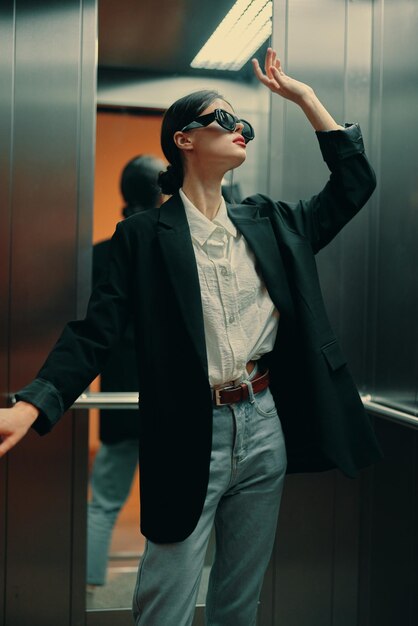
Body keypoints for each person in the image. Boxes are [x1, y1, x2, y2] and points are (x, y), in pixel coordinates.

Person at [0, 48, 382, 626]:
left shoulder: (272, 222)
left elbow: (354, 183)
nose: (241, 132)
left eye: (244, 124)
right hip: (186, 429)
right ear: (184, 139)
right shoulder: (142, 238)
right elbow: (94, 333)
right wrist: (32, 405)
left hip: (264, 422)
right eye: (226, 120)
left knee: (236, 602)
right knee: (166, 601)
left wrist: (305, 99)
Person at [87, 155, 164, 591]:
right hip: (169, 395)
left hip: (118, 395)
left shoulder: (100, 254)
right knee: (176, 503)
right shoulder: (171, 244)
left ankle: (90, 588)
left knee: (104, 502)